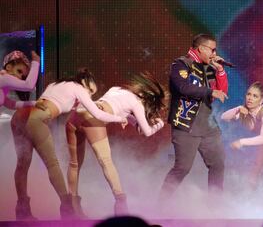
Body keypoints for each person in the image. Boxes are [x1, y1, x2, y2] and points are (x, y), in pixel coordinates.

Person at [11, 68, 127, 220]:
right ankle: (67, 209)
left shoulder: (55, 85)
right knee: (53, 164)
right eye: (90, 91)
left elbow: (60, 104)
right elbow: (96, 114)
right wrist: (120, 119)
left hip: (19, 116)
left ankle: (22, 210)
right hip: (35, 119)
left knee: (22, 165)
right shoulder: (78, 89)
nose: (90, 95)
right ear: (85, 83)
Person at [66, 72, 168, 216]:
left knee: (74, 164)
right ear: (147, 99)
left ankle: (70, 207)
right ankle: (121, 202)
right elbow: (147, 132)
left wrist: (132, 120)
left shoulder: (116, 89)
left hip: (77, 114)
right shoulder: (137, 104)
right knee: (106, 162)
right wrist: (160, 124)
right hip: (92, 119)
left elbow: (124, 114)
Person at [159, 33, 228, 201]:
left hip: (208, 126)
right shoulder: (181, 64)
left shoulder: (209, 68)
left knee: (218, 165)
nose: (214, 53)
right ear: (201, 48)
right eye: (212, 49)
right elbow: (183, 87)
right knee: (182, 168)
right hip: (186, 125)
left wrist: (220, 71)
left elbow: (222, 93)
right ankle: (161, 205)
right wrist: (210, 91)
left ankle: (215, 204)